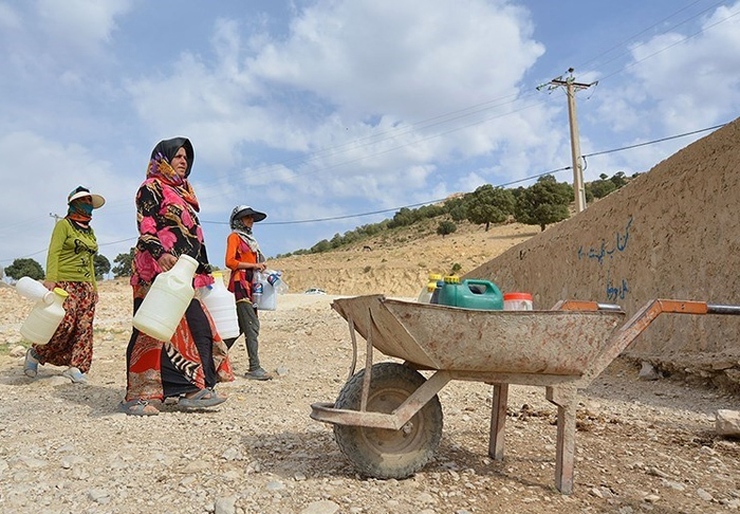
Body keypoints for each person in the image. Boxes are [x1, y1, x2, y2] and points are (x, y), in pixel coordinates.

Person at [120, 137, 234, 416]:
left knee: (197, 328)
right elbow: (146, 228)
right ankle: (139, 395)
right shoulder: (151, 188)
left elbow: (193, 238)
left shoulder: (184, 196)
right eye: (178, 156)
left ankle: (193, 390)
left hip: (183, 276)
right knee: (151, 330)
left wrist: (204, 271)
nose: (184, 161)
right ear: (163, 159)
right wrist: (160, 254)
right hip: (155, 273)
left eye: (187, 157)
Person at [23, 186, 105, 383]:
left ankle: (77, 366)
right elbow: (54, 252)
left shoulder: (90, 231)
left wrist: (94, 287)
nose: (88, 205)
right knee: (64, 324)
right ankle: (36, 353)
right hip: (64, 283)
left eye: (89, 202)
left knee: (84, 327)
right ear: (73, 203)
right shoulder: (64, 225)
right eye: (84, 201)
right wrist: (50, 278)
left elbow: (90, 260)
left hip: (85, 286)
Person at [223, 205, 273, 380]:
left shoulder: (250, 240)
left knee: (239, 327)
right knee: (251, 326)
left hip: (251, 286)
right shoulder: (235, 237)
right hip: (240, 284)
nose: (251, 221)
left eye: (251, 217)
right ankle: (254, 367)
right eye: (247, 217)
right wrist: (254, 265)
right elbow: (229, 262)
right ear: (238, 220)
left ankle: (213, 360)